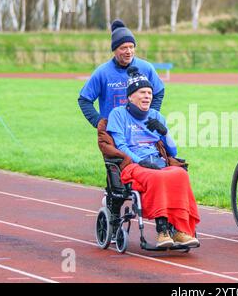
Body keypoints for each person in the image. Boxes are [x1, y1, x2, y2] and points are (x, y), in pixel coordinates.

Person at [107, 66, 200, 248]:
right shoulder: (118, 115)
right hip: (134, 165)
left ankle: (181, 231)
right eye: (142, 92)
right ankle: (162, 230)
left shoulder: (157, 116)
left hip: (158, 162)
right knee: (157, 176)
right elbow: (121, 146)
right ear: (131, 96)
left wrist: (164, 133)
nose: (147, 96)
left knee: (180, 174)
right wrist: (139, 161)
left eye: (149, 92)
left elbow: (173, 152)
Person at [78, 19, 165, 129]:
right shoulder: (102, 72)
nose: (129, 51)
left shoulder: (146, 68)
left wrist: (151, 116)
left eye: (131, 47)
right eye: (123, 48)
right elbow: (84, 100)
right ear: (114, 50)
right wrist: (99, 122)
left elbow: (159, 92)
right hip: (113, 131)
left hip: (140, 130)